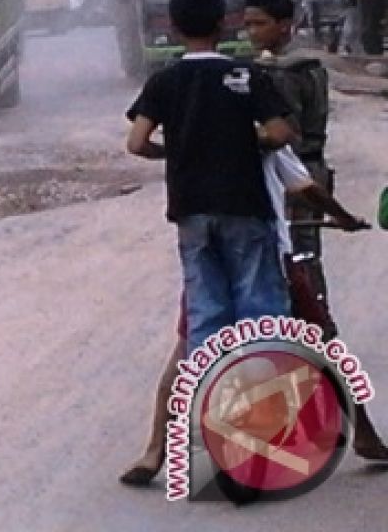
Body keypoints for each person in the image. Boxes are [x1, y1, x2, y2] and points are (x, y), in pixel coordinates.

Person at [119, 146, 371, 486]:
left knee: (188, 349)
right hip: (268, 260)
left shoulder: (200, 135)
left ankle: (154, 452)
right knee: (323, 345)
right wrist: (342, 216)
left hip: (213, 262)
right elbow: (303, 186)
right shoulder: (266, 138)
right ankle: (365, 435)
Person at [244, 0, 388, 459]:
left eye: (260, 23)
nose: (253, 33)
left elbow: (285, 143)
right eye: (248, 25)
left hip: (293, 189)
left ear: (285, 25)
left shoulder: (283, 74)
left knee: (305, 307)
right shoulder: (298, 69)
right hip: (291, 187)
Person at [126, 0, 294, 353]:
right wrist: (245, 144)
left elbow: (136, 143)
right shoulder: (247, 75)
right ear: (223, 24)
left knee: (206, 310)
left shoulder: (164, 81)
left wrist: (177, 151)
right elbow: (281, 133)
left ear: (174, 28)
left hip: (190, 207)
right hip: (244, 203)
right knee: (259, 308)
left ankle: (207, 401)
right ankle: (262, 396)